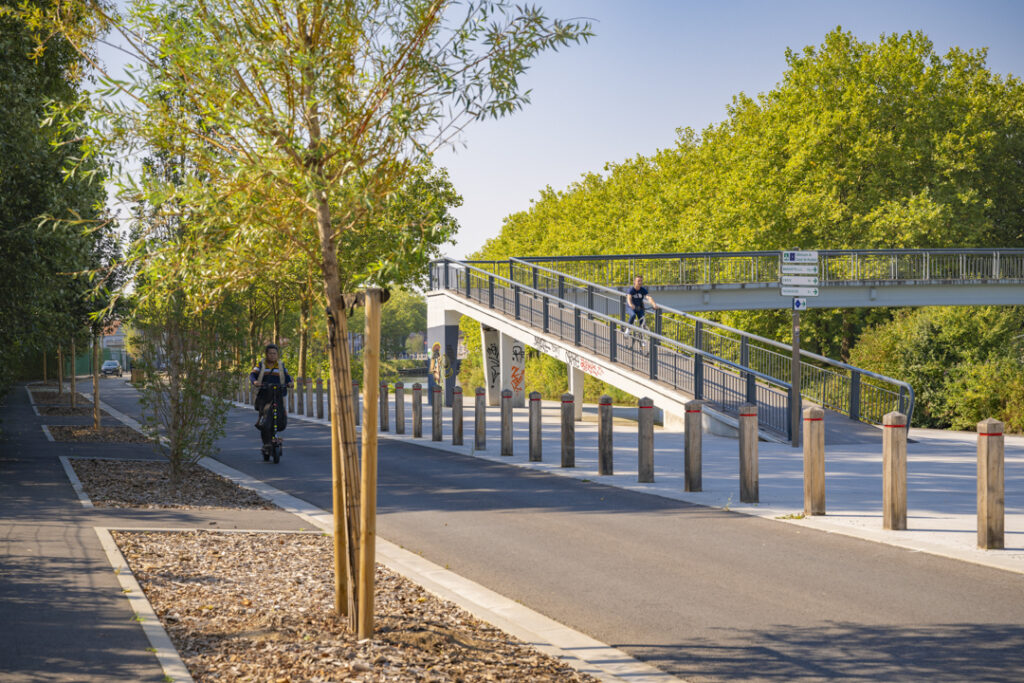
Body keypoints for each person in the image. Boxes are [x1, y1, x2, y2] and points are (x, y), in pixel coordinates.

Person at [250, 344, 293, 457]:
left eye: (274, 353)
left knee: (280, 417)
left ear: (277, 354)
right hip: (265, 395)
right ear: (266, 354)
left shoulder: (281, 365)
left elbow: (287, 377)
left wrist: (289, 383)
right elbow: (252, 375)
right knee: (266, 420)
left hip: (278, 395)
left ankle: (274, 436)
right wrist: (255, 382)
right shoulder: (261, 365)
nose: (272, 355)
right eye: (270, 353)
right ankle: (266, 443)